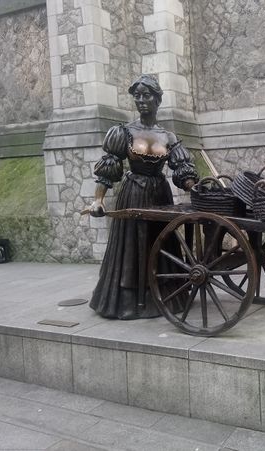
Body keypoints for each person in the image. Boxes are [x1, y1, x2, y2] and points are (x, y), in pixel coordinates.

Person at [88, 75, 198, 320]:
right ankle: (129, 302)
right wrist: (99, 199)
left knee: (161, 244)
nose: (141, 100)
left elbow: (182, 171)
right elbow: (109, 168)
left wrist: (195, 187)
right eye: (137, 96)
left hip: (160, 194)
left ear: (158, 100)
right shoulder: (124, 132)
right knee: (132, 247)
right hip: (134, 194)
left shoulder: (168, 137)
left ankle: (163, 295)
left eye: (146, 95)